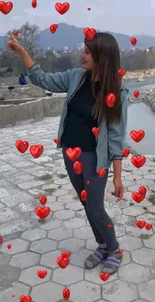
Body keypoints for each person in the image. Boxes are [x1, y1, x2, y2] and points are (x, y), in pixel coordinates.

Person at [8, 31, 128, 275]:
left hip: (95, 158)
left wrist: (117, 176)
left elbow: (115, 138)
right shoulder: (76, 77)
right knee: (86, 203)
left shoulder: (115, 92)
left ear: (101, 56)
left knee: (95, 206)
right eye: (83, 50)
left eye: (87, 51)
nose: (81, 55)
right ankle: (102, 245)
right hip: (71, 155)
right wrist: (22, 53)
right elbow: (44, 79)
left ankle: (114, 249)